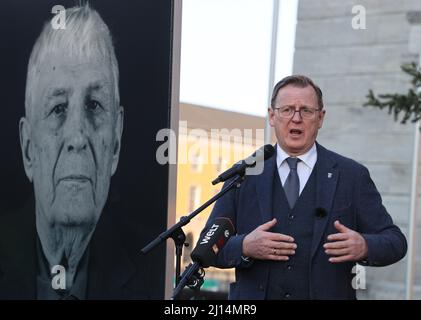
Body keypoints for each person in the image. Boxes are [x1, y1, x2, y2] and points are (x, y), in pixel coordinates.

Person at [203, 75, 407, 300]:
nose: (296, 118)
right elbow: (207, 247)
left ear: (320, 118)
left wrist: (365, 246)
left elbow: (395, 242)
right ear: (272, 116)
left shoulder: (352, 176)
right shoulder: (244, 175)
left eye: (306, 111)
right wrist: (244, 246)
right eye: (287, 109)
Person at [0, 4, 150, 299]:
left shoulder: (151, 267)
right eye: (58, 108)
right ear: (28, 148)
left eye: (94, 105)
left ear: (116, 142)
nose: (77, 137)